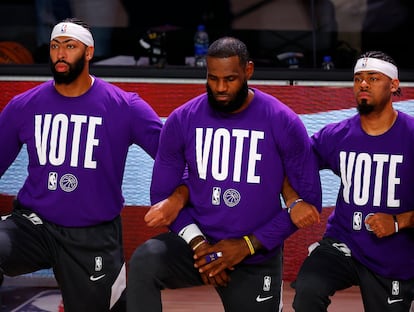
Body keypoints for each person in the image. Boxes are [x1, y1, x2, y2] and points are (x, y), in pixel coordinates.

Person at [0, 17, 187, 312]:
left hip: (93, 235)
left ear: (88, 52)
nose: (60, 54)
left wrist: (178, 197)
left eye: (70, 46)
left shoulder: (125, 106)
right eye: (54, 46)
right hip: (34, 226)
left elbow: (177, 158)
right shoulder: (24, 105)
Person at [126, 36, 322, 311]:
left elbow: (309, 200)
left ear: (248, 71)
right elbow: (161, 195)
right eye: (213, 78)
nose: (220, 88)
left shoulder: (283, 121)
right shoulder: (183, 119)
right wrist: (198, 245)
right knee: (146, 259)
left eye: (230, 79)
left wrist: (246, 246)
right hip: (197, 246)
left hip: (254, 256)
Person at [291, 51, 414, 311]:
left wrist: (398, 221)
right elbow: (293, 165)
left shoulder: (411, 136)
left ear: (394, 85)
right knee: (307, 291)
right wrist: (295, 201)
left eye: (373, 78)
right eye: (358, 79)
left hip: (395, 253)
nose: (364, 84)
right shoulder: (337, 135)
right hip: (344, 241)